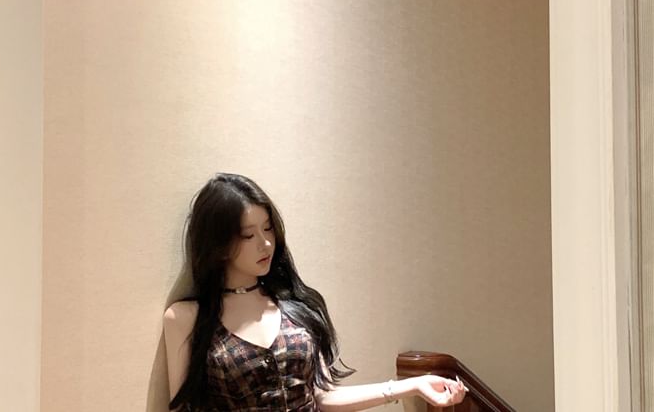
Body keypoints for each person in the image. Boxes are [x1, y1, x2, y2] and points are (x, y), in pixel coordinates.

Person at [164, 173, 467, 411]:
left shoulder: (296, 307)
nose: (265, 243)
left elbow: (323, 396)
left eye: (268, 229)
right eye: (248, 235)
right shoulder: (187, 318)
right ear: (218, 245)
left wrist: (413, 386)